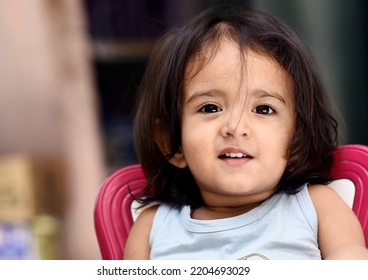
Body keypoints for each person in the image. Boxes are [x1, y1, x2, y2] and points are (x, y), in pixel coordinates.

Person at [124, 7, 368, 260]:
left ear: (297, 138)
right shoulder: (153, 228)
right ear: (170, 142)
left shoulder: (317, 206)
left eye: (263, 109)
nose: (236, 127)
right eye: (210, 108)